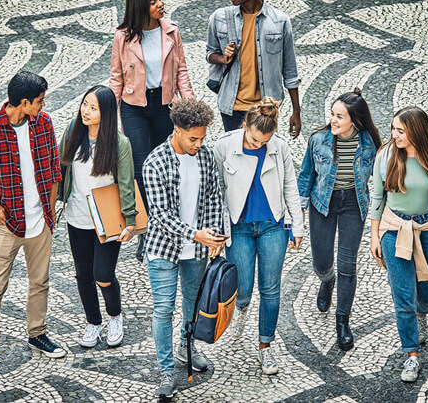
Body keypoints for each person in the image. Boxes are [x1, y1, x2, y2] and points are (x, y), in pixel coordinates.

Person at [0, 71, 65, 380]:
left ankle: (37, 333)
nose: (44, 106)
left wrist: (51, 211)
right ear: (24, 102)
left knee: (40, 283)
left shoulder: (43, 124)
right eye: (40, 101)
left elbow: (53, 169)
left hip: (40, 221)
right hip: (7, 224)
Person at [214, 97, 304, 375]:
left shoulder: (280, 149)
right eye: (254, 140)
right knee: (244, 288)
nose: (258, 145)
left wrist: (297, 226)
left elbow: (291, 186)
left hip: (272, 225)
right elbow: (215, 192)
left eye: (264, 141)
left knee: (271, 289)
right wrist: (216, 231)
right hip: (238, 226)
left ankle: (265, 346)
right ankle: (241, 309)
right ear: (245, 126)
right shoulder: (224, 146)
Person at [142, 99, 224, 400]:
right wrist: (195, 234)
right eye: (193, 138)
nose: (199, 144)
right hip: (164, 249)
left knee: (192, 302)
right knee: (164, 309)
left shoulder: (205, 156)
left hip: (198, 250)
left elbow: (215, 197)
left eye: (202, 138)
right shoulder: (155, 163)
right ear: (177, 131)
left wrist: (214, 236)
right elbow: (161, 215)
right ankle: (166, 370)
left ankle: (187, 346)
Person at [369, 106, 428, 383]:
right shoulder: (386, 155)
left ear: (416, 131)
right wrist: (374, 236)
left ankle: (422, 313)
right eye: (393, 129)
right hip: (394, 229)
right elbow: (377, 198)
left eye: (400, 131)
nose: (394, 135)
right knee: (402, 295)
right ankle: (411, 355)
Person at [297, 89, 381, 351]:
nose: (333, 120)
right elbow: (306, 176)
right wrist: (299, 211)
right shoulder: (318, 140)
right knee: (322, 262)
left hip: (353, 206)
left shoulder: (370, 144)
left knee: (348, 266)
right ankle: (327, 280)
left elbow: (382, 180)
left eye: (339, 116)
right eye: (332, 114)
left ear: (354, 121)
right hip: (322, 204)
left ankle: (342, 322)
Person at [58, 85, 137, 349]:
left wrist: (131, 221)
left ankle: (115, 316)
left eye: (93, 107)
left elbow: (126, 183)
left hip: (107, 218)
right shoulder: (72, 131)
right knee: (83, 275)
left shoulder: (119, 143)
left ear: (106, 113)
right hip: (77, 216)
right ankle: (93, 322)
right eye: (84, 104)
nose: (86, 111)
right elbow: (60, 170)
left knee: (103, 274)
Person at [109, 0, 195, 211]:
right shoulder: (122, 36)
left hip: (164, 106)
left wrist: (191, 109)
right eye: (153, 2)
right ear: (139, 6)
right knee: (140, 166)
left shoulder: (171, 31)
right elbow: (116, 77)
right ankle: (147, 226)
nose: (161, 4)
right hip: (133, 108)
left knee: (165, 164)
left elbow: (181, 72)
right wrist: (106, 113)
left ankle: (165, 215)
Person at [206, 0, 301, 136]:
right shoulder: (219, 18)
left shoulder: (279, 21)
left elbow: (290, 70)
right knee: (237, 158)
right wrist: (222, 58)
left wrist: (296, 112)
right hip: (232, 106)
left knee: (263, 157)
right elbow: (210, 53)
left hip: (265, 107)